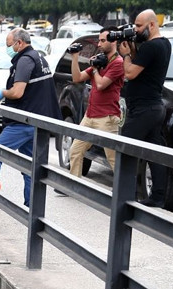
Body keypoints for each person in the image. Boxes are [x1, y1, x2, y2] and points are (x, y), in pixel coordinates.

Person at [0, 28, 61, 207]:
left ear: (19, 43)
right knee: (29, 166)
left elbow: (17, 92)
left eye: (9, 46)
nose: (8, 50)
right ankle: (32, 207)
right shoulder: (39, 58)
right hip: (38, 120)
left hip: (24, 121)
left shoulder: (25, 60)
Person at [119, 9, 171, 208]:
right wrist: (132, 50)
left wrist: (125, 55)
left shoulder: (152, 47)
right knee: (153, 153)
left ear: (151, 25)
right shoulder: (164, 44)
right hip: (154, 107)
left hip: (144, 109)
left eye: (139, 26)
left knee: (125, 150)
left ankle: (126, 197)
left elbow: (131, 73)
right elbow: (143, 66)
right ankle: (158, 196)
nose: (136, 29)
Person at [68, 28, 124, 178]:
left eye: (103, 41)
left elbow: (100, 85)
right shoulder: (101, 60)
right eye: (99, 40)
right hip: (90, 115)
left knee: (113, 159)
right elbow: (77, 78)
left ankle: (124, 194)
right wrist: (75, 57)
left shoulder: (117, 63)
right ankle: (73, 186)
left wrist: (94, 69)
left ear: (114, 41)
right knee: (75, 151)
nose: (99, 44)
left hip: (107, 118)